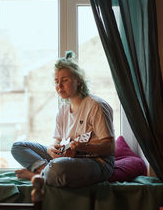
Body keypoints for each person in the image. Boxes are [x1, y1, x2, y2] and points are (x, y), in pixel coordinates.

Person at [11, 51, 115, 188]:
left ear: (78, 80)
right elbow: (58, 140)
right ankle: (45, 172)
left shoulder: (96, 106)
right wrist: (51, 149)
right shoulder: (63, 110)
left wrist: (81, 148)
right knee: (18, 147)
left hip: (96, 163)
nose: (59, 86)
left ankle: (39, 175)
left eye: (64, 80)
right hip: (65, 159)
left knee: (58, 167)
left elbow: (110, 147)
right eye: (56, 81)